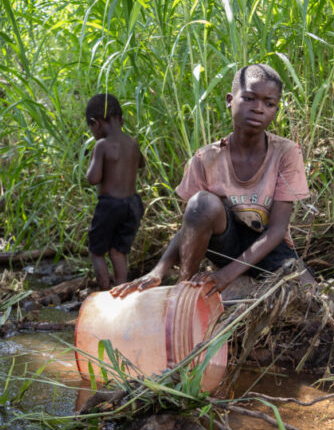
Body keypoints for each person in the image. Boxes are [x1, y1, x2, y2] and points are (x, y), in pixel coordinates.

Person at [112, 63, 314, 298]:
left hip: (270, 250)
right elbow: (192, 223)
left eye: (269, 104)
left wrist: (226, 276)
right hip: (226, 245)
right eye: (249, 98)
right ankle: (184, 290)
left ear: (276, 109)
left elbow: (277, 230)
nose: (259, 109)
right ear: (230, 99)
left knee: (313, 299)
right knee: (202, 203)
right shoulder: (207, 158)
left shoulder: (286, 153)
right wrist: (158, 270)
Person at [85, 93, 146, 290]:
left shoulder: (101, 145)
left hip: (110, 205)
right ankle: (122, 293)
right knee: (118, 252)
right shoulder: (133, 142)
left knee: (97, 252)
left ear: (96, 123)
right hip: (133, 205)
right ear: (121, 119)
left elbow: (93, 178)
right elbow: (142, 164)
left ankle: (104, 293)